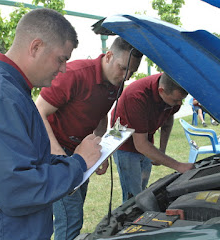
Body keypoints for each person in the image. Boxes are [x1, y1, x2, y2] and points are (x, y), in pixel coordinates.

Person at [0, 9, 102, 240]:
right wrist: (78, 164)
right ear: (36, 47)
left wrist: (67, 162)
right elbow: (16, 189)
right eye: (61, 59)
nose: (63, 69)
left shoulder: (9, 90)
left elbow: (24, 158)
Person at [35, 36, 143, 240]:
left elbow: (100, 114)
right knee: (70, 217)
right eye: (122, 68)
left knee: (75, 207)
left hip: (80, 151)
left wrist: (98, 148)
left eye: (132, 72)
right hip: (55, 149)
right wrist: (61, 158)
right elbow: (38, 111)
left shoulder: (114, 83)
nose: (126, 76)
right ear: (109, 56)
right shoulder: (74, 74)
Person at [111, 73, 195, 203]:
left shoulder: (170, 89)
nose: (179, 104)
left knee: (143, 192)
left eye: (181, 100)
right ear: (161, 91)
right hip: (124, 142)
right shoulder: (137, 96)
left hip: (145, 138)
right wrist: (178, 166)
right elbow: (141, 145)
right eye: (175, 100)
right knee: (133, 197)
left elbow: (168, 119)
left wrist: (162, 149)